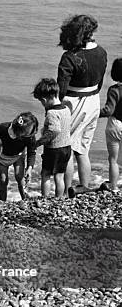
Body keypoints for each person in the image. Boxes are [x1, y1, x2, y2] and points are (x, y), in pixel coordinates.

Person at [56, 15, 107, 192]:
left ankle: (67, 189)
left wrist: (56, 108)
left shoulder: (69, 57)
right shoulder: (102, 52)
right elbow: (100, 83)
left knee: (67, 147)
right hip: (93, 100)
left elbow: (61, 89)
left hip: (73, 102)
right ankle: (84, 187)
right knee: (83, 149)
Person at [33, 78, 72, 198]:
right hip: (66, 147)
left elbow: (54, 131)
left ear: (44, 100)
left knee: (45, 174)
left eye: (41, 101)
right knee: (59, 176)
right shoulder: (66, 108)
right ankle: (59, 199)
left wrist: (39, 142)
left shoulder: (52, 113)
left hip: (54, 149)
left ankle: (45, 198)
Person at [99, 58, 122, 192]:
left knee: (113, 159)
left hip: (115, 125)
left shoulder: (114, 90)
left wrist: (95, 113)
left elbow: (109, 110)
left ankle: (113, 187)